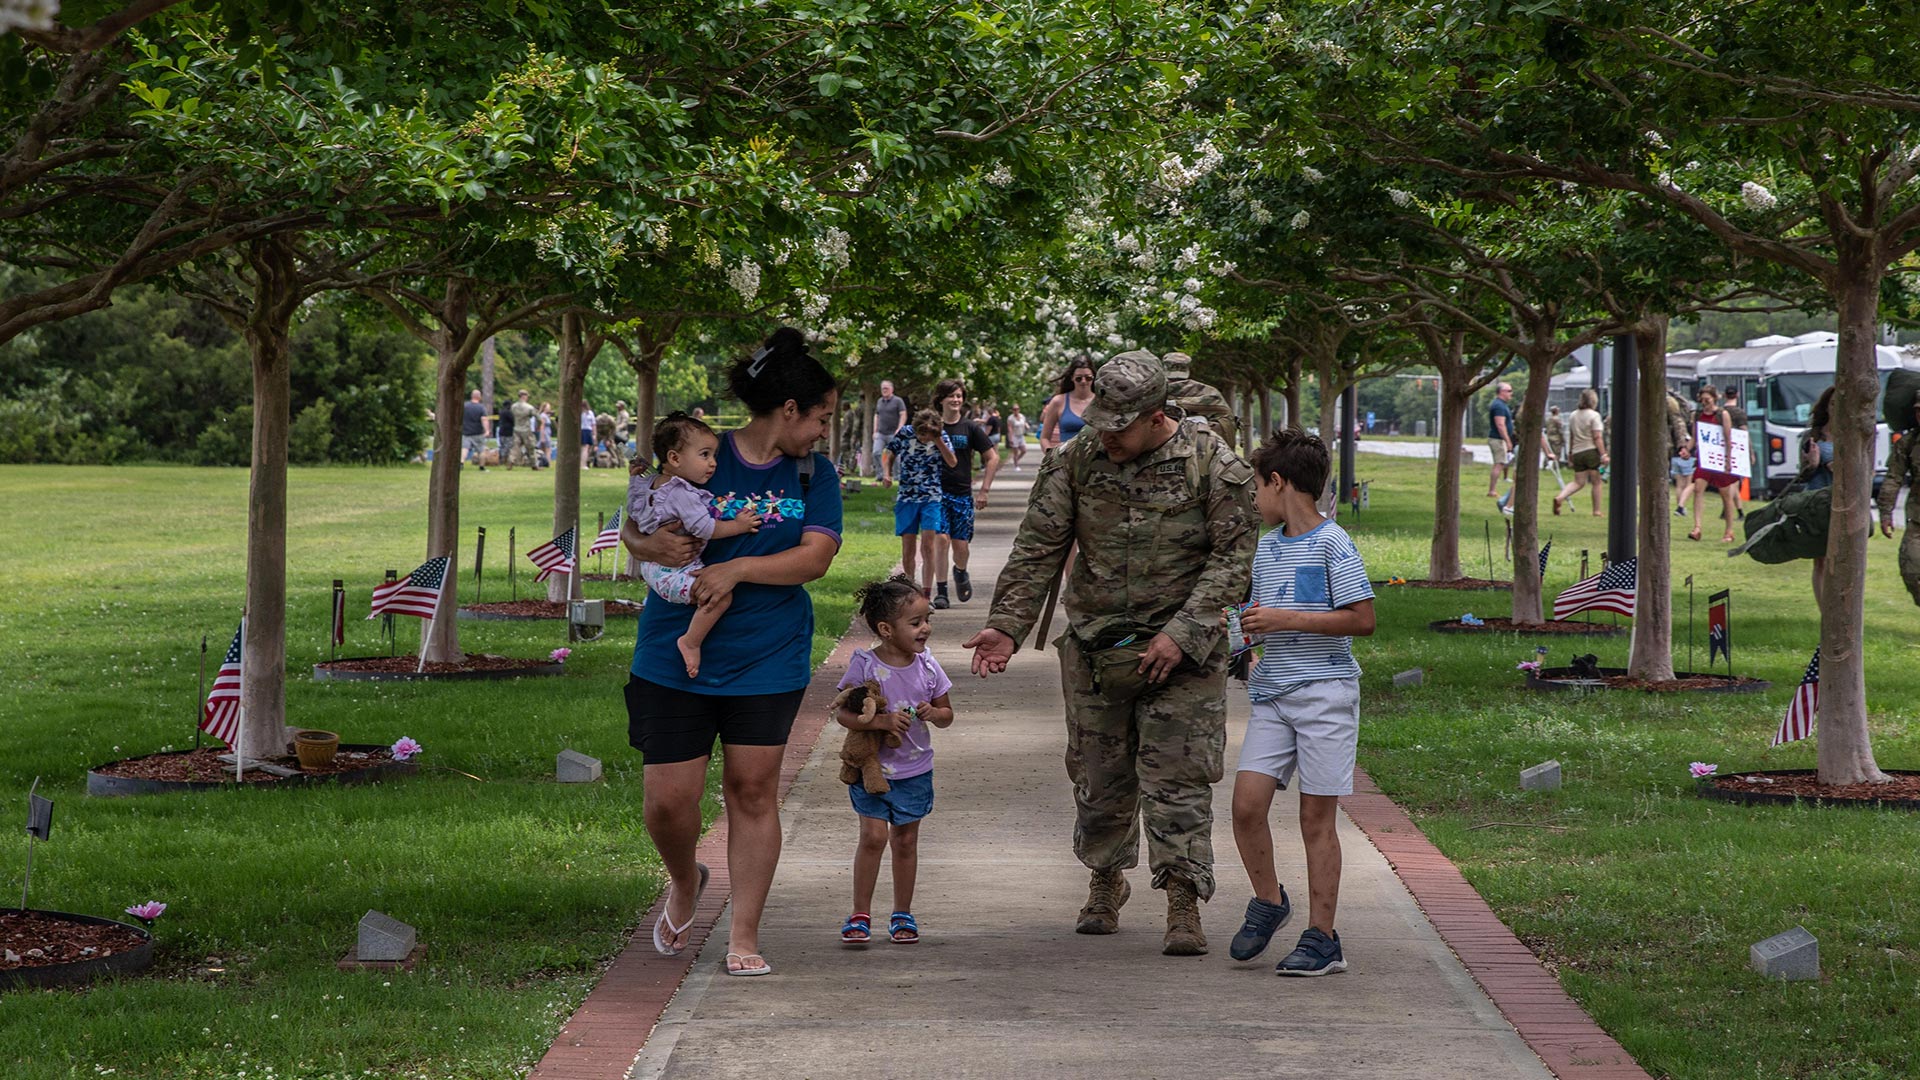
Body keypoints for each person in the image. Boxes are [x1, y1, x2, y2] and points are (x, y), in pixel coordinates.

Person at [964, 350, 1257, 956]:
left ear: (1155, 416)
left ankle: (1183, 898)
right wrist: (1007, 626)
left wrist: (1182, 632)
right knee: (1099, 777)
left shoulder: (1214, 466)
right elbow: (1038, 546)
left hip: (1184, 651)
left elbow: (1233, 560)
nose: (1107, 435)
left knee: (1178, 779)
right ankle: (1106, 878)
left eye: (1119, 426)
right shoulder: (1078, 460)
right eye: (1100, 420)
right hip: (1100, 648)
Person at [619, 326, 843, 978]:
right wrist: (645, 547)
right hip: (672, 651)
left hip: (767, 655)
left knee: (751, 790)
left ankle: (742, 934)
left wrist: (739, 570)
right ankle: (686, 879)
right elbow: (634, 521)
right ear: (790, 409)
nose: (824, 430)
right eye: (822, 417)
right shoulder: (703, 450)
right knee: (668, 799)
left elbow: (817, 556)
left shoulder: (812, 472)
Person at [1227, 428, 1376, 976]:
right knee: (1246, 807)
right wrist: (1241, 643)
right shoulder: (1266, 547)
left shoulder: (1334, 543)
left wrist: (1285, 620)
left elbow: (1363, 619)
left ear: (1278, 482)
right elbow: (1255, 617)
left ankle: (1323, 938)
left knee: (1316, 818)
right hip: (1272, 696)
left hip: (1325, 697)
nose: (1253, 500)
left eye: (1256, 489)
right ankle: (1269, 901)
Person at [834, 575, 956, 946]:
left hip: (915, 770)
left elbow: (947, 713)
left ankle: (902, 913)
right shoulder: (865, 666)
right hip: (870, 770)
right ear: (886, 629)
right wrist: (881, 720)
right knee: (872, 837)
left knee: (904, 840)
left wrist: (935, 715)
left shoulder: (929, 666)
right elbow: (843, 714)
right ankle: (860, 913)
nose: (925, 629)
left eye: (926, 619)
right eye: (916, 622)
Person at [630, 413, 766, 678]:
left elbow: (635, 507)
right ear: (675, 459)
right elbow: (704, 528)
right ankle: (690, 641)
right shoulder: (682, 492)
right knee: (720, 595)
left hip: (652, 566)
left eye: (714, 455)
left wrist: (634, 477)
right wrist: (738, 525)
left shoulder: (651, 483)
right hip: (673, 572)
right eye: (704, 455)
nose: (713, 464)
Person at [932, 378, 1000, 610]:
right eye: (951, 395)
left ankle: (960, 572)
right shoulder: (933, 427)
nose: (956, 400)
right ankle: (941, 592)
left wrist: (984, 490)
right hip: (936, 493)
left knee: (960, 547)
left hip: (962, 494)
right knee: (940, 540)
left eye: (959, 396)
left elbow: (992, 457)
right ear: (941, 399)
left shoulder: (970, 427)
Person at [884, 408, 959, 598]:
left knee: (928, 546)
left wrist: (938, 439)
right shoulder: (905, 433)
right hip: (907, 497)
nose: (925, 438)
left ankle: (926, 594)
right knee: (908, 548)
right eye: (922, 434)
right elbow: (889, 453)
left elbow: (952, 462)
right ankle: (910, 590)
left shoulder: (940, 436)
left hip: (931, 497)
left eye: (928, 435)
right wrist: (887, 473)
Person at [1877, 393, 1920, 608]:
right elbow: (1893, 477)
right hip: (1918, 518)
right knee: (1911, 568)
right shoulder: (1909, 443)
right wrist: (1885, 512)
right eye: (1919, 411)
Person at [1682, 386, 1739, 543]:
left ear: (1714, 398)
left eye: (1708, 399)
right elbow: (1695, 437)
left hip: (1719, 458)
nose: (1705, 403)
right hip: (1704, 458)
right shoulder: (1698, 415)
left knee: (1725, 494)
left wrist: (1728, 460)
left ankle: (1729, 530)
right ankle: (1697, 527)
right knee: (1698, 488)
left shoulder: (1722, 415)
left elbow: (1728, 438)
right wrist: (1687, 449)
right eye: (1703, 400)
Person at [1552, 389, 1608, 517]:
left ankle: (1560, 497)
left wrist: (1570, 453)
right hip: (1591, 451)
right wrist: (1603, 454)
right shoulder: (1594, 416)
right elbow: (1597, 437)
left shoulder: (1573, 415)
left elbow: (1571, 436)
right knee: (1596, 481)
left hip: (1577, 451)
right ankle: (1597, 510)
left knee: (1578, 482)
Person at [1040, 356, 1096, 450]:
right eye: (1079, 378)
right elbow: (1044, 438)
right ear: (1072, 378)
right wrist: (1051, 457)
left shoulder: (1102, 401)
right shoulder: (1058, 401)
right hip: (1067, 461)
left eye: (1088, 378)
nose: (1083, 381)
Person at [873, 380, 907, 482]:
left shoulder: (898, 401)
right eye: (883, 388)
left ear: (892, 389)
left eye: (886, 388)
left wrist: (900, 429)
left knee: (896, 455)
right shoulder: (879, 401)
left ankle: (897, 476)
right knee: (876, 452)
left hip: (893, 433)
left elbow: (903, 414)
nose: (884, 390)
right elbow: (876, 416)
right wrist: (875, 431)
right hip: (881, 433)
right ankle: (881, 475)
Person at [1486, 382, 1515, 497]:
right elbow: (1500, 425)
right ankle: (1492, 490)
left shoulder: (1502, 405)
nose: (1511, 394)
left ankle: (1492, 489)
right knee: (1499, 463)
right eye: (1509, 391)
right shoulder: (1498, 406)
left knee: (1501, 463)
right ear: (1502, 392)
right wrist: (1508, 441)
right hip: (1497, 439)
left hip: (1499, 439)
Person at [508, 389, 539, 470]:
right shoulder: (529, 407)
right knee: (531, 447)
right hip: (526, 430)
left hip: (516, 429)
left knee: (515, 447)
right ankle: (534, 465)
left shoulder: (513, 406)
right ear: (524, 396)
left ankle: (511, 461)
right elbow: (538, 417)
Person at [462, 389, 491, 471]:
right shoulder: (481, 407)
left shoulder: (465, 406)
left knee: (465, 448)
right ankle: (482, 466)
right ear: (479, 397)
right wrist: (487, 430)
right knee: (481, 450)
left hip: (466, 432)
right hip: (478, 432)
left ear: (472, 396)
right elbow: (484, 419)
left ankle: (461, 463)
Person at [1005, 404, 1030, 470]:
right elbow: (1009, 429)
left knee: (1024, 450)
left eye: (1017, 409)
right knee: (1015, 452)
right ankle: (1016, 466)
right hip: (1014, 436)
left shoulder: (1022, 416)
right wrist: (1010, 439)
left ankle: (1016, 460)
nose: (1016, 410)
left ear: (1019, 409)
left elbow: (1024, 422)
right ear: (1012, 410)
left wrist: (1027, 426)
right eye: (1014, 409)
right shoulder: (1010, 418)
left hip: (1021, 435)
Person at [535, 401, 554, 468]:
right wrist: (542, 436)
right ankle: (548, 462)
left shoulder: (546, 416)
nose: (549, 408)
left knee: (545, 449)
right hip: (545, 433)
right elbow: (542, 426)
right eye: (548, 407)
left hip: (548, 432)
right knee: (548, 449)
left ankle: (544, 462)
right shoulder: (543, 416)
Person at [579, 400, 596, 469]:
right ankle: (583, 464)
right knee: (585, 448)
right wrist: (594, 434)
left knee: (583, 448)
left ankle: (581, 463)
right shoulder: (589, 413)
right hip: (586, 430)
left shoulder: (581, 413)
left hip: (583, 430)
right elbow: (593, 424)